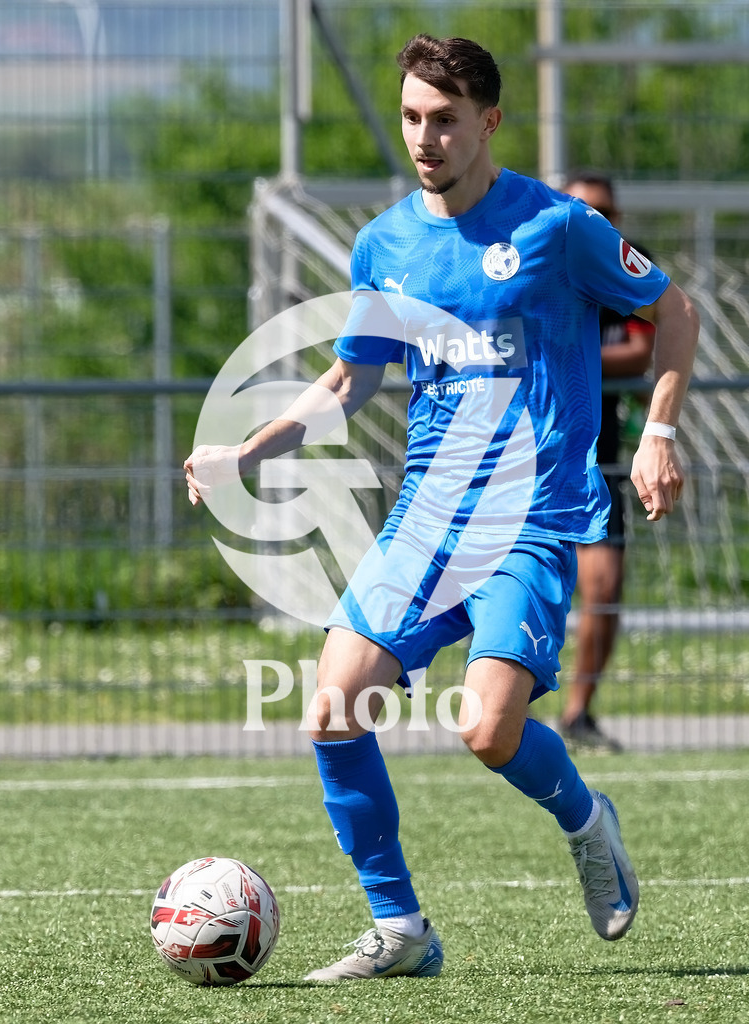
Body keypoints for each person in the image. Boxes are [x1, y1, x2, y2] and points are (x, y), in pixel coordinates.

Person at [185, 34, 699, 982]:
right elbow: (347, 381)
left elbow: (673, 311)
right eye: (414, 117)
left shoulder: (558, 227)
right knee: (334, 706)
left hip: (533, 522)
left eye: (446, 119)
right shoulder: (384, 243)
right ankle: (402, 932)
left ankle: (588, 820)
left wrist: (659, 433)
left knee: (488, 732)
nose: (425, 137)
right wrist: (247, 450)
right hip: (427, 521)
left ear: (489, 122)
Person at [559, 171, 657, 752]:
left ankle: (578, 713)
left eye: (605, 211)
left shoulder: (632, 269)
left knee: (604, 587)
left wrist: (566, 353)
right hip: (530, 459)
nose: (595, 220)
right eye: (582, 208)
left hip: (602, 463)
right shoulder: (537, 266)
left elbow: (643, 350)